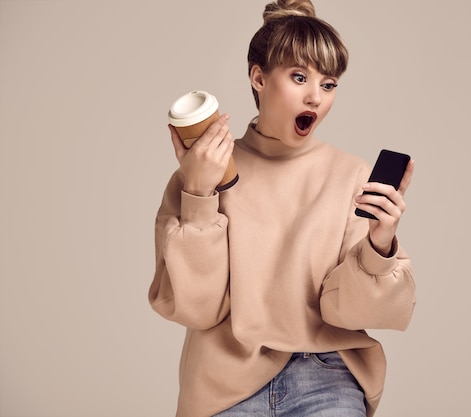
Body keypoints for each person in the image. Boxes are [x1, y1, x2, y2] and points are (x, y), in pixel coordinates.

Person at [149, 0, 416, 415]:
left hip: (326, 373)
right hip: (224, 383)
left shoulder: (350, 175)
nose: (315, 97)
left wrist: (379, 247)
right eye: (298, 77)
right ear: (259, 77)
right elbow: (197, 309)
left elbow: (346, 310)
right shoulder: (204, 173)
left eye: (328, 85)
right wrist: (200, 194)